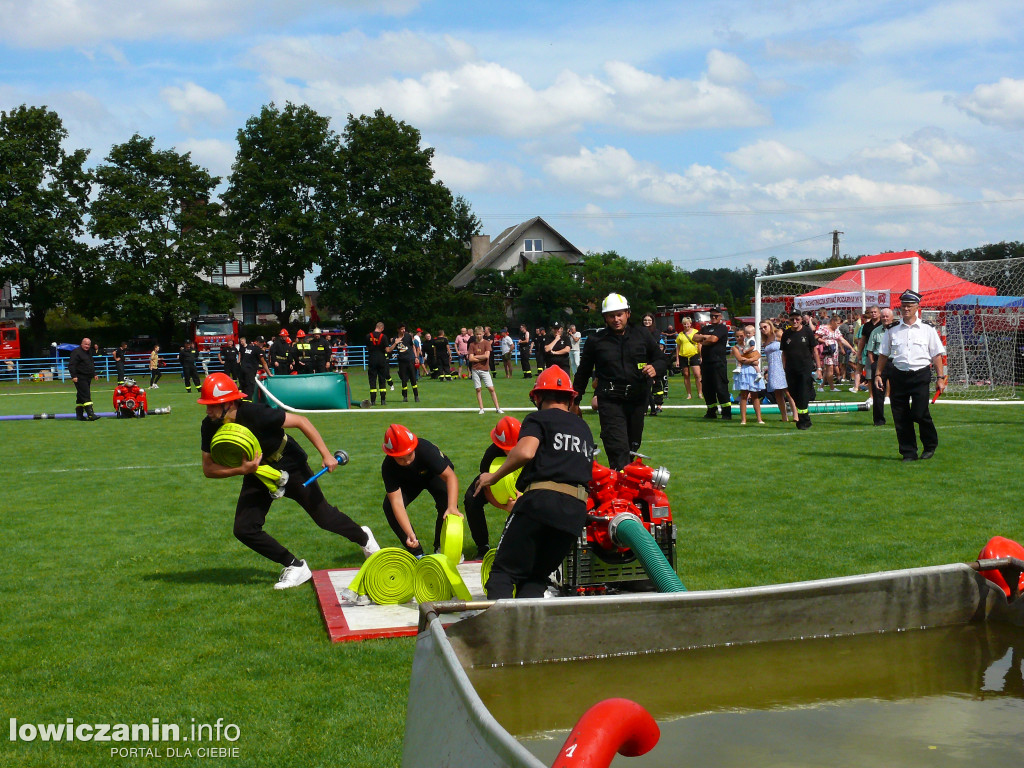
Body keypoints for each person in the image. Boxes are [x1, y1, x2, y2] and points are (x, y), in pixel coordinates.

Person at [197, 373, 379, 589]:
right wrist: (242, 469)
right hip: (258, 472)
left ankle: (364, 538)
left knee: (324, 517)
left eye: (213, 405)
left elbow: (301, 421)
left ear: (229, 403)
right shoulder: (209, 426)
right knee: (244, 528)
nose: (208, 410)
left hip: (290, 462)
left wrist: (326, 454)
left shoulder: (257, 413)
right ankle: (296, 566)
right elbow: (208, 469)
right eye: (207, 405)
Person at [475, 366, 596, 599]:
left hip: (540, 503)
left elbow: (526, 452)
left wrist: (493, 476)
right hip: (574, 512)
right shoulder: (583, 428)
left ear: (537, 397)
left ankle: (500, 633)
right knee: (536, 577)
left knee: (503, 572)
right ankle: (527, 633)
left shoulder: (537, 418)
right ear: (570, 398)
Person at [571, 293, 665, 470]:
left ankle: (626, 484)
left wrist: (655, 368)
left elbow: (660, 359)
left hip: (637, 400)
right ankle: (620, 490)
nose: (616, 319)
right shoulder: (595, 341)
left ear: (627, 314)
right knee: (617, 447)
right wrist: (575, 401)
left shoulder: (642, 335)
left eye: (619, 314)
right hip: (610, 400)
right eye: (611, 315)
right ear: (605, 317)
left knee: (632, 446)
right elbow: (582, 372)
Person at [874, 290, 947, 461]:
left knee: (919, 413)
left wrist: (940, 378)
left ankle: (930, 445)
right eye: (903, 305)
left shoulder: (927, 329)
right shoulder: (892, 330)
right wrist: (878, 374)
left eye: (909, 306)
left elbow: (936, 355)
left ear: (917, 307)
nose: (906, 309)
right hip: (898, 374)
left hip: (920, 374)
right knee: (900, 415)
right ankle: (908, 452)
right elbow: (884, 354)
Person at [379, 424, 462, 557]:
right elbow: (397, 503)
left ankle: (441, 547)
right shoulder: (388, 467)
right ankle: (417, 553)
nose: (407, 461)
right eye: (400, 458)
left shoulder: (425, 450)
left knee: (447, 502)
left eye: (409, 455)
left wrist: (452, 507)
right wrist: (409, 533)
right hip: (409, 481)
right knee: (388, 506)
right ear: (391, 455)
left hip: (433, 475)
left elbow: (450, 477)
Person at [462, 415, 522, 560]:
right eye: (507, 449)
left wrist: (523, 501)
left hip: (523, 480)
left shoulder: (533, 448)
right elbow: (486, 488)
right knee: (471, 498)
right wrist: (506, 508)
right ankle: (483, 547)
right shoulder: (490, 456)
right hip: (495, 478)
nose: (511, 452)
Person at [781, 312, 822, 430]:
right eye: (792, 319)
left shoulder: (807, 332)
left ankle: (803, 421)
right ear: (789, 320)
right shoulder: (786, 334)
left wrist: (818, 368)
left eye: (797, 319)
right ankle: (805, 418)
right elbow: (784, 353)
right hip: (790, 369)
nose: (795, 321)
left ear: (801, 320)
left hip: (805, 368)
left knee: (803, 394)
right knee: (793, 393)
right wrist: (784, 368)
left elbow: (814, 351)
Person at [693, 308, 731, 419]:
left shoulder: (722, 328)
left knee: (720, 387)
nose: (713, 318)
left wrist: (704, 340)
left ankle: (726, 412)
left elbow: (713, 339)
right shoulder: (705, 328)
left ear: (720, 317)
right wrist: (706, 337)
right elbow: (694, 337)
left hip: (718, 362)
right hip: (706, 363)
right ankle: (711, 411)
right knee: (707, 388)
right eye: (711, 316)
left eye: (716, 316)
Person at [865, 308, 898, 426]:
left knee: (897, 393)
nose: (885, 318)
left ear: (892, 317)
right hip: (879, 363)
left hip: (895, 363)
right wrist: (873, 364)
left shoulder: (898, 331)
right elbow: (870, 349)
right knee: (878, 393)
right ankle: (879, 420)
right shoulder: (876, 331)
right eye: (883, 316)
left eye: (887, 316)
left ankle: (898, 419)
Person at [760, 321, 796, 422]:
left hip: (781, 365)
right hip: (772, 367)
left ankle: (796, 415)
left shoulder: (778, 334)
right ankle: (784, 417)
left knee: (788, 392)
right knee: (777, 393)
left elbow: (789, 343)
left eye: (764, 327)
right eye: (761, 328)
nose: (763, 329)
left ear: (770, 325)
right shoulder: (766, 340)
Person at [731, 326, 765, 425]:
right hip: (742, 371)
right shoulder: (735, 347)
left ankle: (759, 418)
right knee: (744, 395)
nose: (739, 338)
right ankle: (743, 419)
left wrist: (752, 360)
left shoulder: (749, 343)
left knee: (755, 395)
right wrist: (752, 361)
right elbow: (740, 359)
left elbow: (758, 355)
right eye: (737, 337)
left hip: (752, 371)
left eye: (741, 336)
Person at [469, 326, 504, 415]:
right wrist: (479, 358)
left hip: (484, 369)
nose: (478, 336)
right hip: (475, 369)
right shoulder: (472, 344)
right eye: (477, 334)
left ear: (483, 334)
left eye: (480, 334)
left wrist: (475, 356)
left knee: (491, 388)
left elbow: (486, 356)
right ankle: (481, 408)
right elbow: (470, 358)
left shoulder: (487, 343)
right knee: (478, 389)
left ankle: (497, 408)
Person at [816, 315, 856, 392]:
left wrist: (851, 348)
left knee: (828, 369)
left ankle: (821, 387)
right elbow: (816, 337)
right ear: (832, 322)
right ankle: (832, 388)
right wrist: (824, 341)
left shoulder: (836, 330)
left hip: (834, 351)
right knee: (830, 368)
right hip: (827, 351)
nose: (838, 325)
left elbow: (842, 340)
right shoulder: (823, 328)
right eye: (837, 323)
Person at [640, 312, 667, 416]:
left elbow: (654, 348)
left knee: (653, 386)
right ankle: (651, 409)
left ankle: (651, 408)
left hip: (653, 362)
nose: (647, 322)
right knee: (645, 388)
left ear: (652, 321)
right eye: (645, 320)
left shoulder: (655, 332)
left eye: (649, 320)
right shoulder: (639, 331)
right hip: (642, 361)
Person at [69, 337, 101, 421]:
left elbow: (91, 363)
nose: (87, 346)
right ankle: (91, 414)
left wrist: (94, 374)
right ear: (81, 344)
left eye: (89, 345)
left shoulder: (89, 352)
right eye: (86, 344)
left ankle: (79, 415)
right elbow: (71, 365)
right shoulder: (76, 352)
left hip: (88, 376)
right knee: (86, 394)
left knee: (80, 396)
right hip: (79, 377)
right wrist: (74, 376)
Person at [674, 317, 702, 400]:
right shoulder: (680, 335)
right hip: (683, 356)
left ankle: (700, 393)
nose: (686, 325)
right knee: (686, 375)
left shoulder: (695, 332)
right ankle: (689, 394)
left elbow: (700, 344)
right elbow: (678, 347)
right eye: (684, 324)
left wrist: (701, 356)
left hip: (694, 355)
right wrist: (677, 359)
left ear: (690, 324)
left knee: (697, 374)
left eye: (687, 323)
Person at [393, 323, 420, 403]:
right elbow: (391, 349)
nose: (403, 330)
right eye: (401, 329)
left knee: (413, 379)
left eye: (404, 329)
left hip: (410, 360)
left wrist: (416, 357)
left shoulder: (408, 336)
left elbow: (413, 347)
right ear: (398, 330)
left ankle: (416, 396)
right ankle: (405, 397)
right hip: (402, 361)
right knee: (404, 380)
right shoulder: (395, 338)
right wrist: (395, 342)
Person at [366, 322, 391, 406]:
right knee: (382, 380)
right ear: (382, 328)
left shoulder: (368, 336)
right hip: (381, 360)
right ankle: (383, 400)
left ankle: (373, 401)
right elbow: (387, 350)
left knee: (372, 380)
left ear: (376, 327)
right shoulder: (383, 337)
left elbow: (367, 347)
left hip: (372, 359)